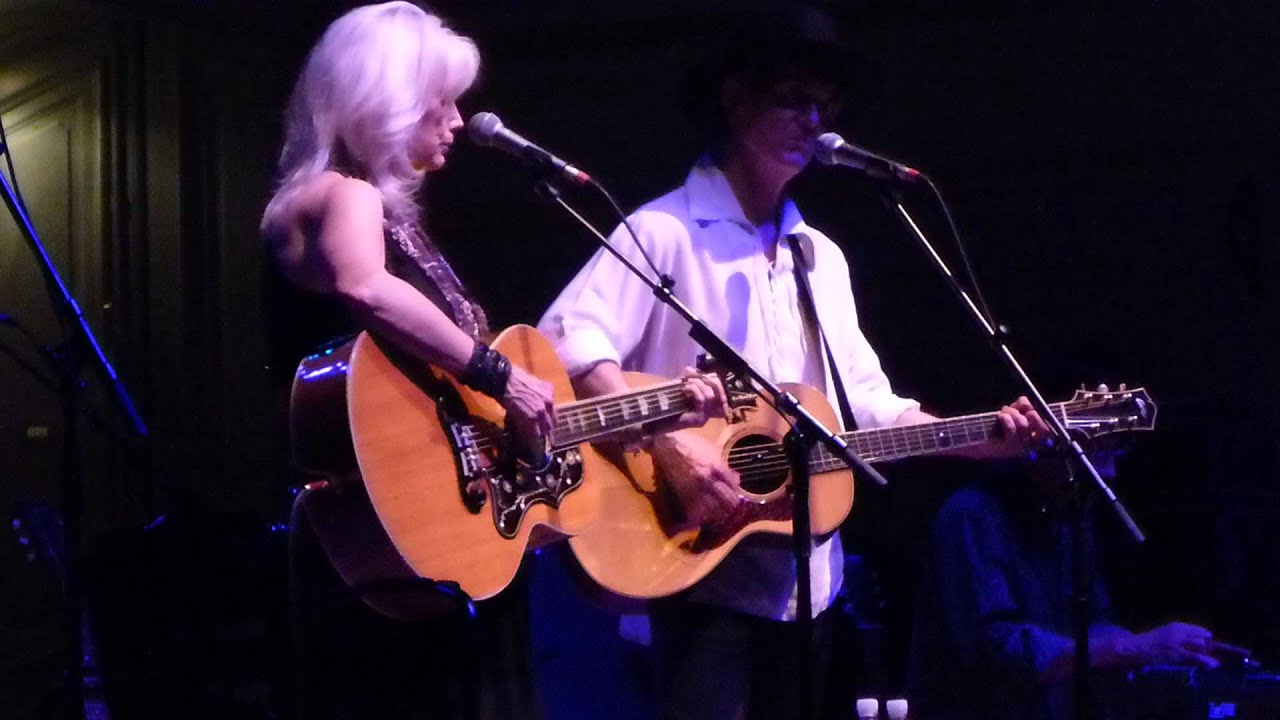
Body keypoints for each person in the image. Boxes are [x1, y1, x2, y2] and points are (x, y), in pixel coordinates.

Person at [537, 4, 1049, 718]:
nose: (815, 121)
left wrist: (972, 438)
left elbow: (863, 402)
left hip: (811, 585)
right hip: (693, 569)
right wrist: (668, 442)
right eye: (794, 101)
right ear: (735, 98)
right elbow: (567, 339)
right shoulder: (664, 231)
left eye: (825, 106)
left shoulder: (820, 257)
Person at [259, 4, 726, 718]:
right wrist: (500, 374)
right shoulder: (339, 193)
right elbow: (364, 287)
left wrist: (653, 409)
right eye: (438, 101)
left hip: (421, 535)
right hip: (375, 529)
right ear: (386, 100)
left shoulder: (374, 210)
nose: (454, 119)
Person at [908, 455, 1241, 720]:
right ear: (1050, 443)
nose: (1109, 471)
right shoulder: (971, 515)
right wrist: (1138, 648)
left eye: (1117, 449)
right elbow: (998, 650)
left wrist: (1179, 650)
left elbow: (1094, 624)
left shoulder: (1065, 517)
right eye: (1099, 448)